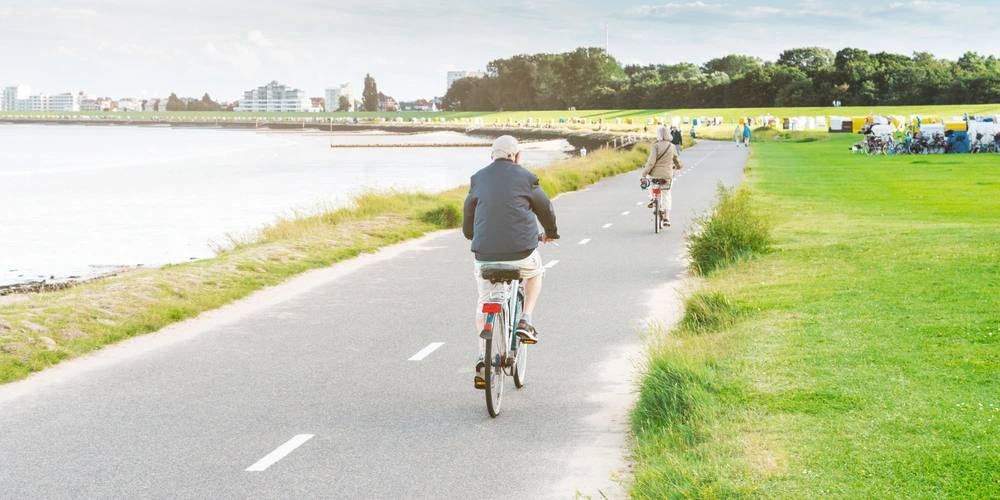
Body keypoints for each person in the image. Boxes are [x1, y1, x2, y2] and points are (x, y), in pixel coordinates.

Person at [463, 135, 560, 389]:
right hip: (522, 253)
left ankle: (483, 358)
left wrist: (472, 235)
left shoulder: (478, 178)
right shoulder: (526, 177)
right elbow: (545, 208)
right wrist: (550, 232)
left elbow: (468, 217)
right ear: (517, 156)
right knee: (536, 271)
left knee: (485, 302)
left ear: (491, 156)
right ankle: (525, 319)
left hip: (484, 255)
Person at [640, 127, 684, 227]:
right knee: (667, 195)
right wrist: (679, 166)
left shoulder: (655, 146)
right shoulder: (672, 146)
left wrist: (642, 174)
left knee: (650, 182)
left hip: (654, 175)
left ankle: (652, 198)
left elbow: (651, 162)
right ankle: (667, 218)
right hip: (667, 175)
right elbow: (676, 159)